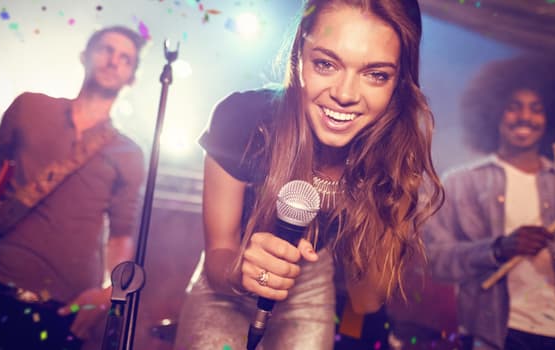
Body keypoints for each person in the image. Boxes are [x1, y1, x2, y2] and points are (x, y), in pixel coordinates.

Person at [174, 0, 444, 348]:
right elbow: (218, 252)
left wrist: (388, 205)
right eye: (326, 63)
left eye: (376, 75)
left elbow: (366, 301)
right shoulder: (242, 118)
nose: (345, 95)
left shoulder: (393, 161)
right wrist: (243, 270)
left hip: (311, 284)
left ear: (399, 82)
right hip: (229, 281)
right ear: (299, 55)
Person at [0, 26, 146, 349]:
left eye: (125, 58)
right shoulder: (31, 107)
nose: (114, 61)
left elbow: (121, 233)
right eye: (106, 49)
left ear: (131, 77)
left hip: (60, 305)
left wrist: (110, 294)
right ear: (84, 55)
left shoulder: (128, 154)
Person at [424, 55, 555, 350]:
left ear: (552, 119)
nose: (525, 117)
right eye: (514, 107)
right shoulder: (460, 184)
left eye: (537, 109)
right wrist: (497, 249)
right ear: (494, 112)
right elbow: (433, 262)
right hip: (494, 336)